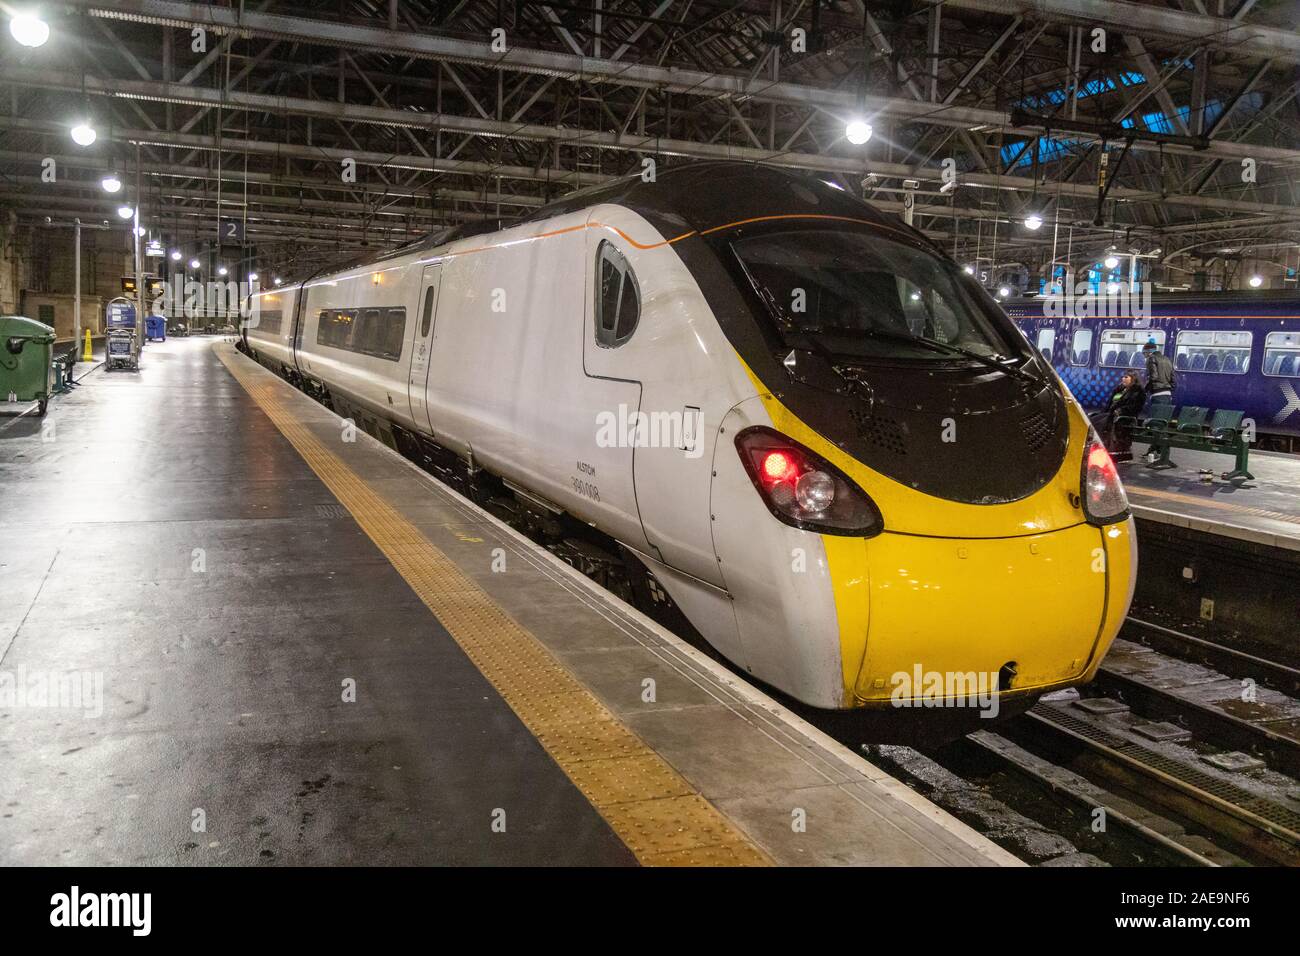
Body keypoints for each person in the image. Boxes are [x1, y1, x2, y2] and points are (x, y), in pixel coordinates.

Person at [1096, 372, 1145, 462]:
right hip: (1111, 414)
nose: (1123, 379)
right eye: (1122, 377)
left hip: (1125, 417)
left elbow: (1134, 407)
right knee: (1093, 419)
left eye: (1126, 377)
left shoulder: (1138, 391)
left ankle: (1102, 448)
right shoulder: (1119, 390)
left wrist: (1120, 411)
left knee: (1101, 422)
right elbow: (1109, 404)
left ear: (1133, 379)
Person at [1142, 339, 1175, 407]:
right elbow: (1173, 379)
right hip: (1168, 395)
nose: (1144, 356)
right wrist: (1170, 389)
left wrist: (1145, 389)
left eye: (1144, 353)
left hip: (1157, 394)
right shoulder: (1167, 359)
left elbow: (1153, 376)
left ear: (1148, 352)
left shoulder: (1151, 358)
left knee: (1155, 417)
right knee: (1164, 417)